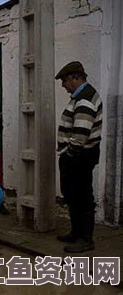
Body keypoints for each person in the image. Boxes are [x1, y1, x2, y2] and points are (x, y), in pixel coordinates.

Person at [55, 61, 102, 253]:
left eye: (65, 81)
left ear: (76, 78)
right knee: (73, 196)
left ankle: (85, 239)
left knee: (82, 198)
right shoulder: (82, 96)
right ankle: (76, 233)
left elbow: (80, 133)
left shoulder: (85, 98)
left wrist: (70, 156)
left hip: (79, 156)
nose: (63, 85)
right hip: (79, 155)